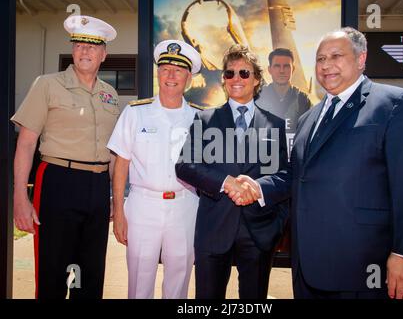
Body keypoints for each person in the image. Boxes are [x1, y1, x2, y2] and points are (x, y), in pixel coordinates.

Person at [230, 27, 403, 299]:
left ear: (361, 59)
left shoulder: (395, 105)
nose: (326, 65)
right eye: (320, 59)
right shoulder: (309, 119)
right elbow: (297, 174)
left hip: (364, 266)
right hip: (308, 264)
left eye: (336, 56)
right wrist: (258, 188)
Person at [11, 15, 118, 299]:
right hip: (59, 181)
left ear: (103, 54)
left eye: (93, 46)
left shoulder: (110, 94)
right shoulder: (47, 84)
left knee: (90, 274)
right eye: (80, 44)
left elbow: (114, 152)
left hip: (97, 188)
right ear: (73, 50)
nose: (85, 51)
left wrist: (113, 198)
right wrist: (20, 197)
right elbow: (25, 144)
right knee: (53, 271)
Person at [175, 44, 288, 299]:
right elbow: (184, 165)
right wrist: (227, 182)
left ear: (257, 79)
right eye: (229, 73)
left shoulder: (275, 124)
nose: (236, 79)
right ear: (224, 80)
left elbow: (284, 176)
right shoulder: (205, 119)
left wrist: (257, 190)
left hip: (259, 229)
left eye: (244, 73)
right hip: (214, 226)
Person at [107, 40, 203, 299]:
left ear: (188, 77)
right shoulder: (135, 112)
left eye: (178, 70)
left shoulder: (201, 117)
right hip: (142, 206)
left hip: (185, 206)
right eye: (165, 68)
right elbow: (121, 164)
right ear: (157, 73)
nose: (171, 75)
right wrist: (118, 211)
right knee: (139, 279)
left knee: (179, 279)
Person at [257, 48, 312, 133]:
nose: (282, 71)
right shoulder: (258, 98)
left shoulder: (303, 100)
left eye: (286, 66)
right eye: (277, 66)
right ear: (269, 69)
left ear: (292, 69)